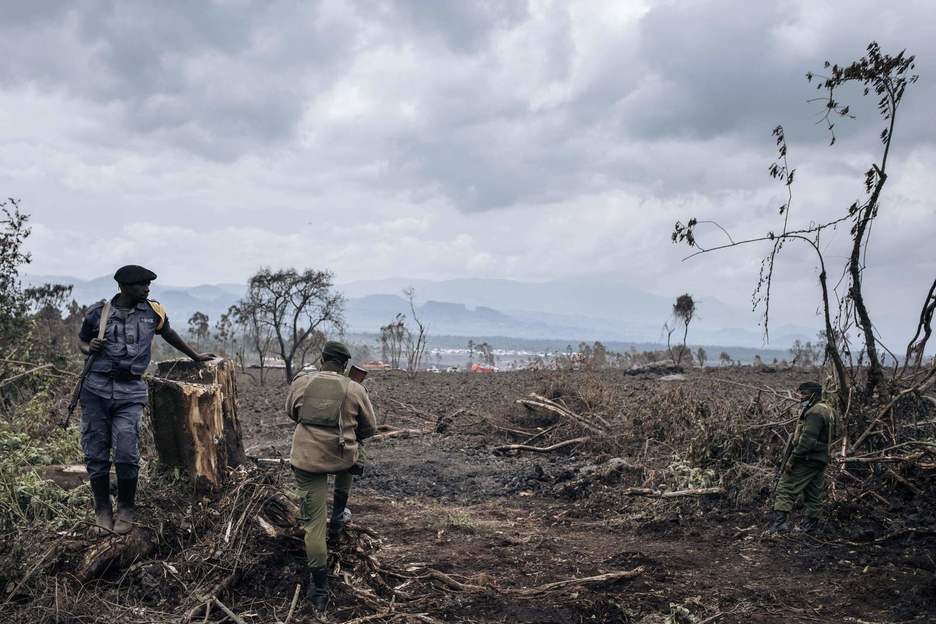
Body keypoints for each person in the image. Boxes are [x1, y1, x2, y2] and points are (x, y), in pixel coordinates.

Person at [78, 265, 213, 536]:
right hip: (96, 390)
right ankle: (102, 510)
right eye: (142, 285)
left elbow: (169, 333)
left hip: (130, 390)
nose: (147, 288)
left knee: (127, 450)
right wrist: (88, 347)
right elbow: (82, 342)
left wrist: (195, 356)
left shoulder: (153, 312)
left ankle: (126, 508)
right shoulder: (98, 313)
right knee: (96, 453)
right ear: (125, 287)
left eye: (148, 284)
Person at [285, 341, 377, 615]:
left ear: (323, 359)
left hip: (306, 459)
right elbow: (368, 428)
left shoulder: (302, 382)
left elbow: (292, 413)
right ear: (345, 365)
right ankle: (338, 516)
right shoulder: (355, 388)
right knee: (355, 452)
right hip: (340, 457)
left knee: (313, 527)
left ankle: (320, 590)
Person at [767, 381, 836, 534]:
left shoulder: (815, 412)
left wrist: (792, 460)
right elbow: (837, 433)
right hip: (821, 458)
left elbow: (807, 440)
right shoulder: (829, 410)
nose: (800, 397)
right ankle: (811, 525)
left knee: (785, 487)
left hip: (807, 458)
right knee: (813, 492)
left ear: (813, 394)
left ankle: (779, 525)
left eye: (804, 393)